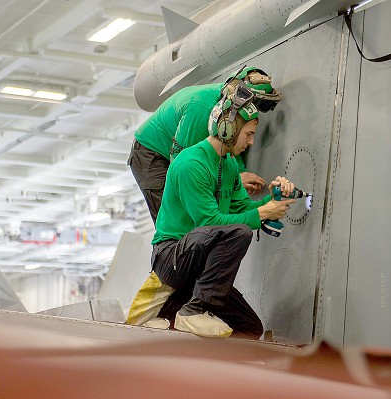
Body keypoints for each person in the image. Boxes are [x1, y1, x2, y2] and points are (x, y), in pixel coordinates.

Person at [126, 83, 297, 339]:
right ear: (228, 130)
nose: (251, 143)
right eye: (248, 135)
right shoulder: (190, 164)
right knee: (238, 232)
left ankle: (182, 322)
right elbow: (209, 222)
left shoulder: (227, 165)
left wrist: (271, 201)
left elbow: (243, 209)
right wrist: (263, 214)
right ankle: (193, 310)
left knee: (250, 330)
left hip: (198, 261)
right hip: (172, 256)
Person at [127, 67, 282, 224]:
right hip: (151, 153)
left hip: (173, 150)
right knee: (174, 220)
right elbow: (181, 167)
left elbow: (230, 147)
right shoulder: (200, 109)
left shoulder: (228, 112)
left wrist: (238, 176)